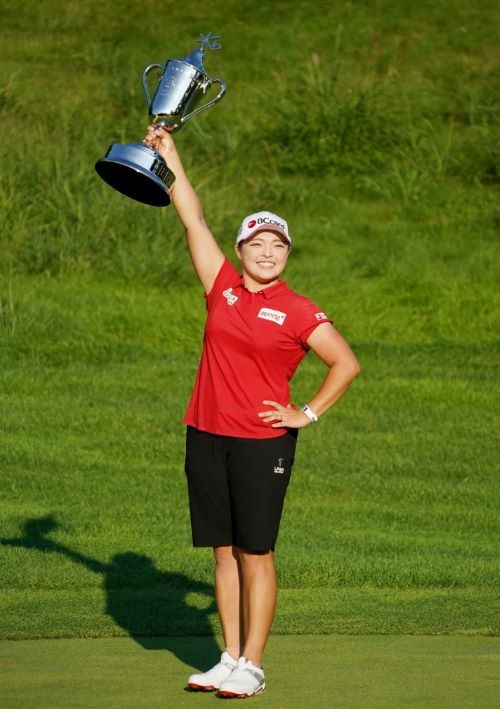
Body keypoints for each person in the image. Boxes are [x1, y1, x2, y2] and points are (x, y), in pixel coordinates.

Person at [144, 124, 361, 699]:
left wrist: (306, 413)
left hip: (262, 442)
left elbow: (345, 364)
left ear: (287, 254)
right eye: (257, 243)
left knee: (256, 552)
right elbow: (192, 218)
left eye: (277, 245)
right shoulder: (221, 287)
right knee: (223, 552)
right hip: (205, 433)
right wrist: (171, 155)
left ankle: (254, 665)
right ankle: (229, 656)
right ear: (239, 250)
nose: (267, 252)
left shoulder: (299, 309)